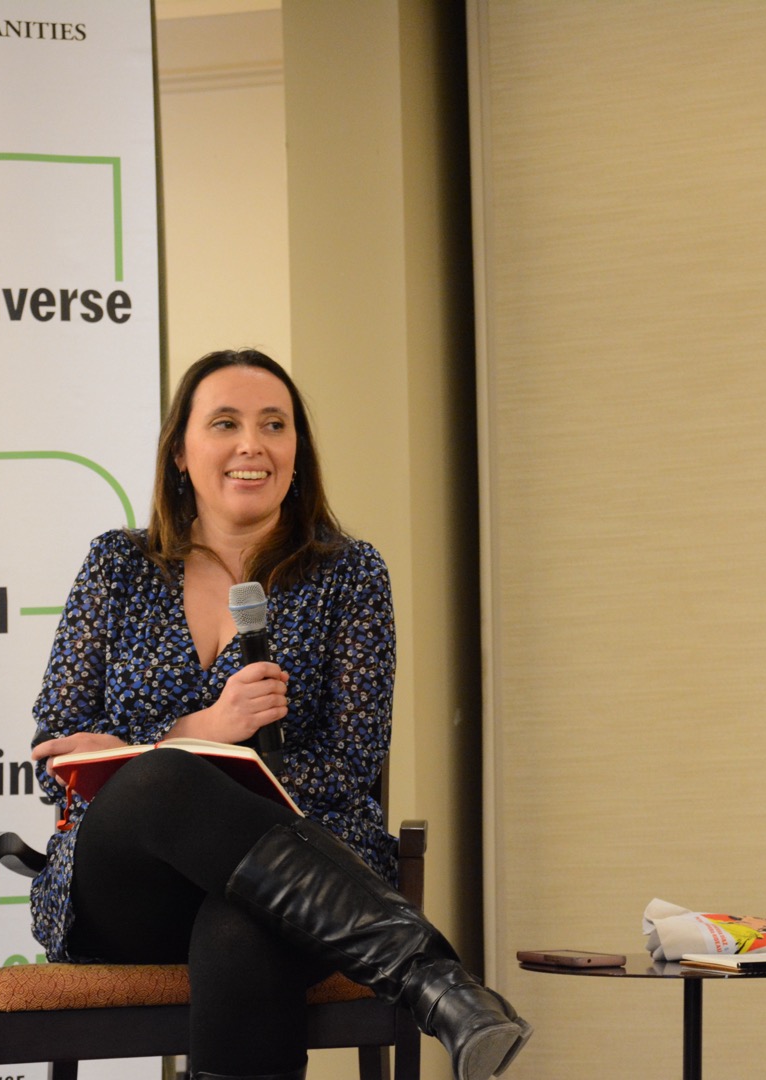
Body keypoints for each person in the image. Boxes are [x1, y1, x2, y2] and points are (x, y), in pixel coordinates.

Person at [28, 349, 529, 1080]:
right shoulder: (117, 565)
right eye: (225, 422)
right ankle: (433, 980)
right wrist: (200, 733)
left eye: (274, 425)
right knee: (166, 780)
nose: (251, 444)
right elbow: (54, 757)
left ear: (297, 453)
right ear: (181, 451)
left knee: (245, 925)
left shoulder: (350, 575)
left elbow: (351, 762)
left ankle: (431, 981)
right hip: (128, 887)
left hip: (294, 879)